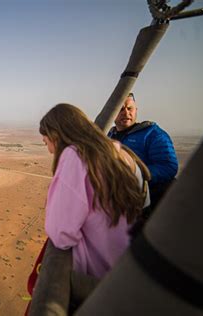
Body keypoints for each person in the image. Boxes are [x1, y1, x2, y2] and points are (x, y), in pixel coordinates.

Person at [26, 103, 150, 314]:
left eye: (46, 142)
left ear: (56, 135)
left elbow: (61, 234)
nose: (48, 149)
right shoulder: (116, 150)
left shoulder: (75, 156)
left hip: (100, 273)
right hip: (127, 267)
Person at [108, 93, 178, 209]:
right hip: (120, 200)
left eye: (129, 108)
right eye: (120, 109)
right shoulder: (109, 136)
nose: (126, 113)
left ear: (136, 110)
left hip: (150, 200)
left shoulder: (152, 134)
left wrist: (135, 175)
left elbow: (168, 167)